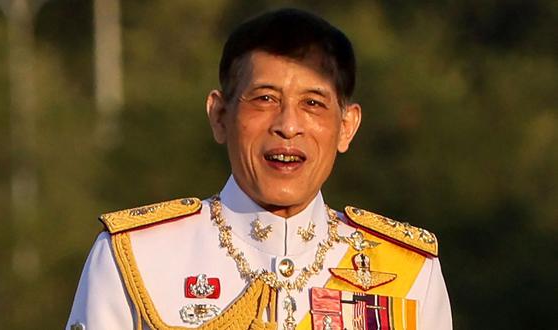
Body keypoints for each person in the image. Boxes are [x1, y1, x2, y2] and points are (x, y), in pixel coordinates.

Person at [67, 8, 452, 330]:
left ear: (347, 126)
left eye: (313, 103)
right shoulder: (137, 255)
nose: (287, 125)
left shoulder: (411, 270)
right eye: (265, 98)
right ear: (220, 115)